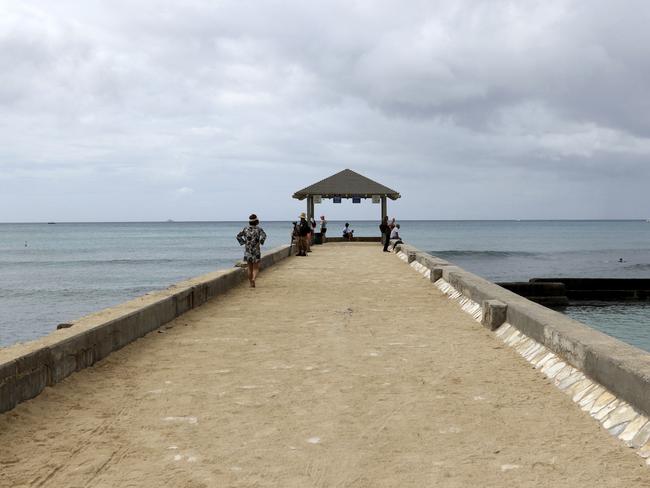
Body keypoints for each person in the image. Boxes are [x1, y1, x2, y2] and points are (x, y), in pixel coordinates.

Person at [236, 214, 267, 288]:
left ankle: (251, 283)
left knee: (249, 268)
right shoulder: (259, 229)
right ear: (256, 221)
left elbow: (238, 236)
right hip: (256, 250)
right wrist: (260, 242)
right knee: (256, 268)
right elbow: (264, 236)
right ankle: (253, 279)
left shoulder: (245, 229)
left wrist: (244, 243)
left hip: (248, 250)